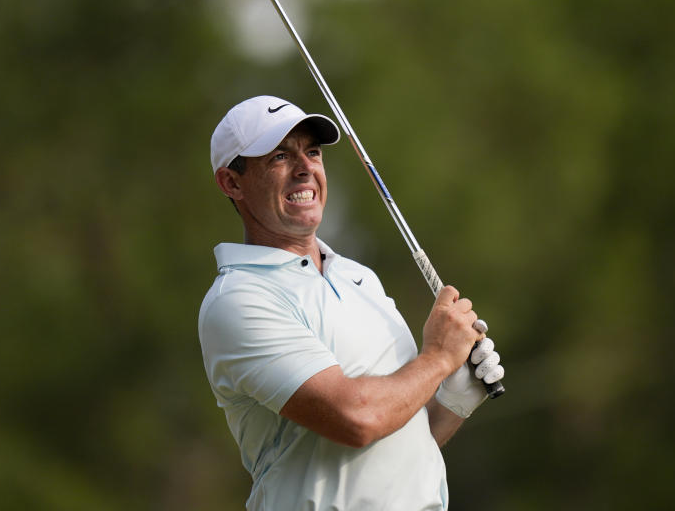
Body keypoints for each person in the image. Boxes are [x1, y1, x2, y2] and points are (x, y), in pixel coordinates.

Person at [200, 95, 505, 510]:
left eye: (311, 152)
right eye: (279, 157)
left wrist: (453, 398)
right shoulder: (238, 300)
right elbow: (357, 419)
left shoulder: (359, 278)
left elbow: (397, 441)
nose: (305, 168)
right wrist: (436, 359)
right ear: (231, 183)